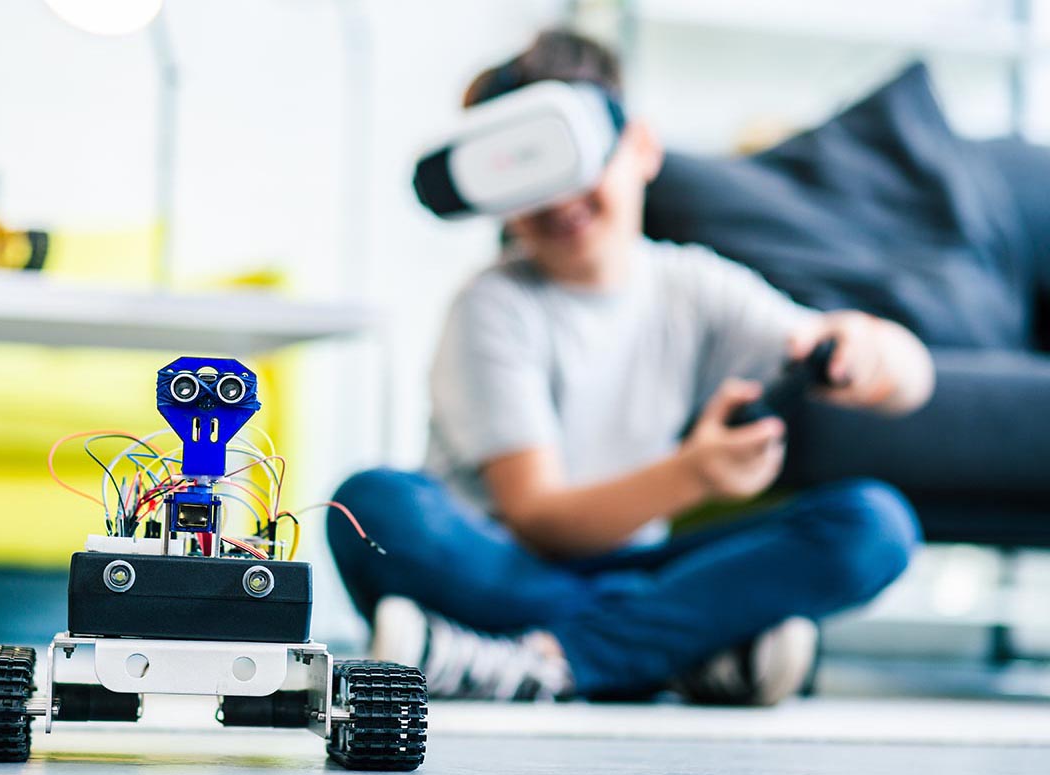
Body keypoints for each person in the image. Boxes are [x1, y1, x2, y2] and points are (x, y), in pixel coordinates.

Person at [327, 30, 934, 705]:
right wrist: (693, 475)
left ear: (640, 148)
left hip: (620, 563)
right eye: (527, 176)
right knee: (372, 506)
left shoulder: (693, 286)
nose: (559, 200)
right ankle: (680, 646)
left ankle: (538, 660)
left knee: (874, 523)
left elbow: (911, 380)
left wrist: (870, 348)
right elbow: (539, 519)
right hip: (502, 564)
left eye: (574, 161)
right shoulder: (492, 305)